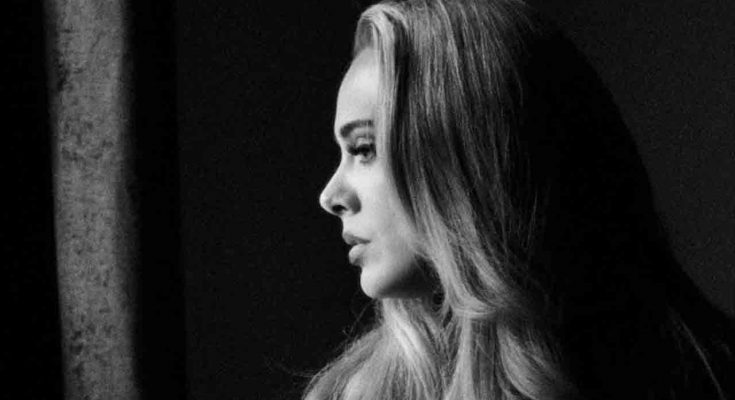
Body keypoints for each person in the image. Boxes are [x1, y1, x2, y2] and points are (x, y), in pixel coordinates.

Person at [311, 0, 734, 399]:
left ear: (465, 161)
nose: (331, 196)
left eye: (364, 149)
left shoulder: (697, 377)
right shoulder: (354, 391)